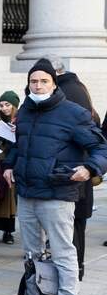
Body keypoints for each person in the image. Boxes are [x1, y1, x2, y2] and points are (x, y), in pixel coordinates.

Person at [3, 59, 107, 295]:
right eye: (33, 81)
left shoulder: (73, 113)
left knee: (63, 253)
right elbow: (19, 146)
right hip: (27, 194)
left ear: (53, 83)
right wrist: (9, 165)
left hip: (57, 193)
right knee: (32, 253)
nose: (38, 86)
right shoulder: (26, 111)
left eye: (44, 81)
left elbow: (100, 147)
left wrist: (90, 168)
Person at [49, 56, 100, 280]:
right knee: (74, 225)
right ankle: (74, 271)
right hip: (77, 168)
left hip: (72, 170)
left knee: (71, 226)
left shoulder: (67, 92)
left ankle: (72, 274)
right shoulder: (76, 87)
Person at [0, 91, 20, 245]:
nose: (4, 108)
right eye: (1, 105)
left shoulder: (21, 119)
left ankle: (8, 232)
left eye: (7, 104)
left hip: (12, 162)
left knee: (9, 197)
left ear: (14, 105)